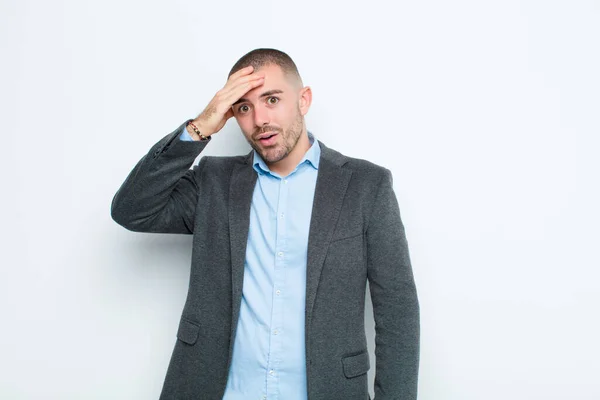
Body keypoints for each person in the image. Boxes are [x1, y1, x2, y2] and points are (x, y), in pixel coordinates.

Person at [111, 48, 419, 400]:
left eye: (272, 99)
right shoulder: (214, 183)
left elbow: (397, 309)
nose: (259, 119)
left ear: (304, 100)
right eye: (244, 107)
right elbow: (131, 209)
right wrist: (198, 128)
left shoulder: (366, 186)